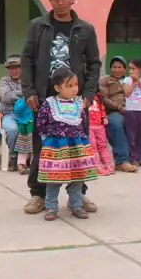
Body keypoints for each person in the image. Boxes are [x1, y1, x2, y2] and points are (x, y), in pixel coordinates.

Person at [20, 0, 102, 216]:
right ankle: (39, 194)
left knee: (77, 146)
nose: (60, 2)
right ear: (50, 1)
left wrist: (88, 94)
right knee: (43, 146)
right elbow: (27, 59)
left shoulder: (85, 29)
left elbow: (94, 63)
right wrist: (29, 91)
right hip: (45, 96)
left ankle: (78, 194)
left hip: (76, 98)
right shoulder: (38, 26)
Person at [36, 67, 100, 220]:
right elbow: (41, 123)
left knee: (78, 178)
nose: (74, 89)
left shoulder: (79, 104)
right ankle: (51, 207)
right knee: (53, 179)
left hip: (77, 147)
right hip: (56, 147)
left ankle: (76, 205)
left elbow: (83, 123)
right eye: (69, 86)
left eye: (76, 85)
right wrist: (48, 140)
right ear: (57, 87)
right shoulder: (49, 104)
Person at [99, 56, 137, 173]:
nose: (116, 69)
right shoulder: (106, 80)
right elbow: (104, 99)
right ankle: (122, 160)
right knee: (115, 123)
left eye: (119, 67)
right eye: (114, 67)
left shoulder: (130, 80)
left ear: (124, 69)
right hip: (113, 111)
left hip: (132, 110)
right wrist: (119, 108)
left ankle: (136, 155)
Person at [122, 58, 141, 167]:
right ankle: (132, 158)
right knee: (131, 135)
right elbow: (127, 93)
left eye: (133, 69)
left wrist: (138, 81)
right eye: (129, 69)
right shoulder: (127, 80)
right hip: (131, 111)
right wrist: (133, 83)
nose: (131, 71)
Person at [0, 55, 25, 171]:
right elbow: (5, 97)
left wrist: (15, 93)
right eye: (11, 68)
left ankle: (29, 160)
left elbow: (33, 93)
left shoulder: (27, 79)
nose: (14, 71)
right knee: (13, 130)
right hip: (10, 114)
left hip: (26, 114)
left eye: (17, 68)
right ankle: (13, 157)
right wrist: (24, 95)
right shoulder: (4, 81)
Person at [88, 93, 114, 175]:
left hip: (99, 126)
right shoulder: (81, 97)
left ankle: (107, 163)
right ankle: (96, 166)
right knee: (93, 147)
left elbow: (101, 108)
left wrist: (104, 117)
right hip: (89, 126)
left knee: (103, 145)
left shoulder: (98, 97)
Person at [12, 96, 34, 174]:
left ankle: (33, 166)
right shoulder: (20, 100)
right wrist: (25, 99)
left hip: (35, 126)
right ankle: (21, 165)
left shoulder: (38, 99)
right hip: (24, 126)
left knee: (34, 148)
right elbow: (17, 110)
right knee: (22, 147)